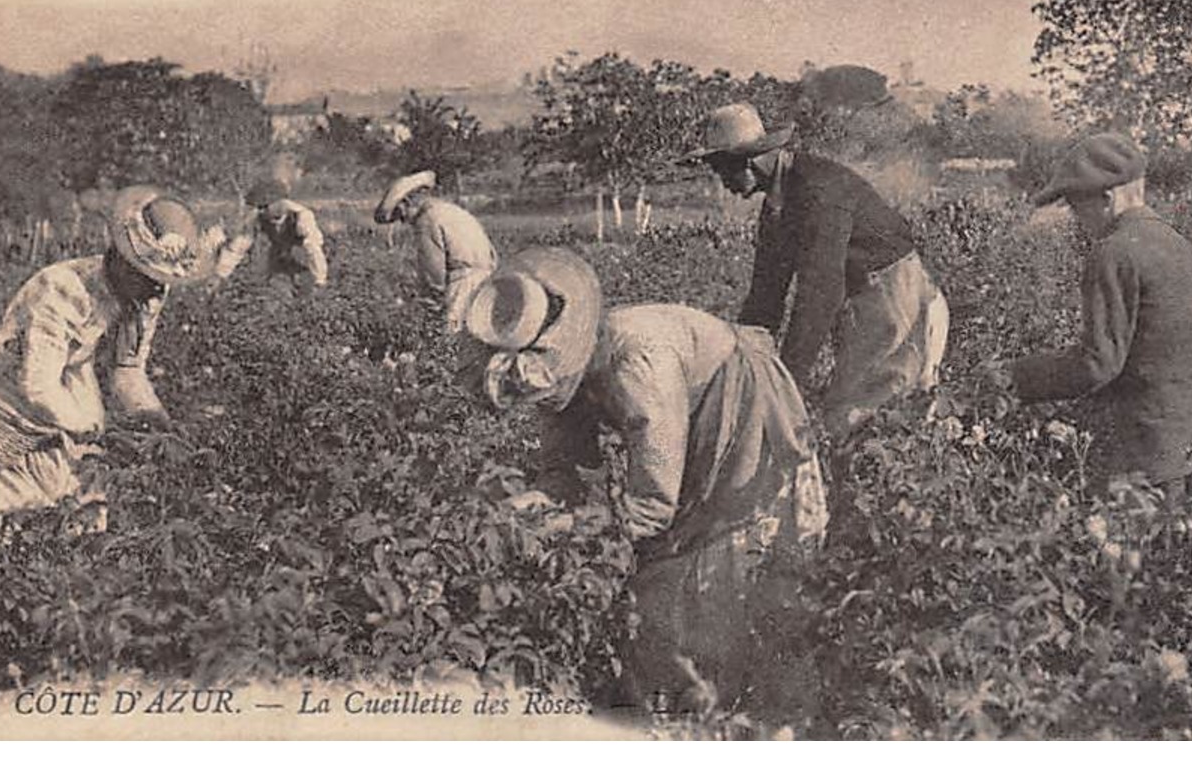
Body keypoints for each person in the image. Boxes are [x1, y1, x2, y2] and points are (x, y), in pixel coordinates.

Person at [460, 247, 828, 721]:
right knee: (673, 578)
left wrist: (578, 531)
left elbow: (654, 504)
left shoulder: (639, 364)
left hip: (740, 412)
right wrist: (538, 502)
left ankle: (743, 710)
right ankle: (682, 693)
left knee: (730, 558)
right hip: (691, 430)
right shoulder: (564, 377)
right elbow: (564, 467)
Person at [977, 133, 1192, 504]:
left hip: (1162, 452)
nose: (1076, 219)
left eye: (1076, 206)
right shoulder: (1178, 244)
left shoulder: (1112, 252)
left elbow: (1096, 364)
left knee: (1139, 556)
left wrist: (1013, 377)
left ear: (1106, 199)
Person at [0, 186, 218, 532]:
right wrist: (88, 435)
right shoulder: (63, 289)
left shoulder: (147, 294)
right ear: (123, 261)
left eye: (161, 281)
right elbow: (37, 385)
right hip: (14, 376)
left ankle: (80, 546)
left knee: (93, 476)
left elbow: (128, 370)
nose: (156, 290)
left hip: (74, 369)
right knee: (58, 473)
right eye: (148, 278)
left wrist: (159, 425)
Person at [684, 103, 948, 445]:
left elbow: (820, 294)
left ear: (748, 161)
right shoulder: (776, 206)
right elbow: (766, 296)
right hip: (862, 302)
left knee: (863, 413)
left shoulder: (818, 192)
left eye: (723, 170)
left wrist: (784, 384)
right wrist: (743, 364)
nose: (723, 183)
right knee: (850, 413)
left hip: (896, 296)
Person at [374, 170, 498, 333]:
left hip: (460, 286)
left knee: (452, 339)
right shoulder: (453, 211)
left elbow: (433, 273)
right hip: (488, 283)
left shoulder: (426, 220)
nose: (404, 221)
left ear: (408, 202)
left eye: (400, 213)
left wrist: (428, 307)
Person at [215, 177, 329, 292]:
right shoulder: (257, 217)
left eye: (264, 206)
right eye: (258, 207)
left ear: (280, 202)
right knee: (276, 290)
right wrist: (220, 275)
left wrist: (319, 280)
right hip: (280, 260)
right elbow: (238, 247)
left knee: (307, 292)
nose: (261, 211)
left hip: (305, 262)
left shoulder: (301, 216)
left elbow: (313, 249)